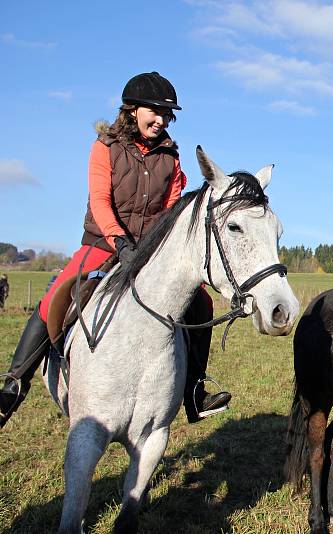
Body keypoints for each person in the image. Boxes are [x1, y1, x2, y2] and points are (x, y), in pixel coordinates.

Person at [0, 72, 230, 428]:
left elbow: (169, 210)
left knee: (202, 301)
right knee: (52, 300)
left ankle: (195, 391)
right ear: (132, 110)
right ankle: (15, 383)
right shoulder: (104, 147)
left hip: (148, 248)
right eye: (155, 111)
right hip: (101, 243)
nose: (161, 120)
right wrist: (118, 241)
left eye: (167, 115)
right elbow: (100, 201)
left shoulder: (171, 157)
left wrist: (154, 248)